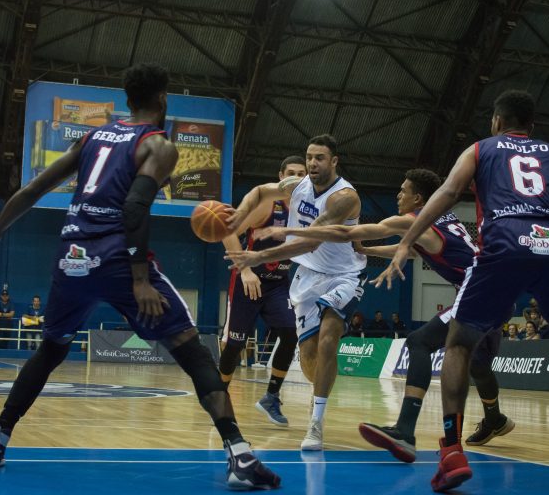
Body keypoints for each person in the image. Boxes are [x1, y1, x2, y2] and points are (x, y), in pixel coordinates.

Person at [0, 63, 279, 489]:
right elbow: (133, 207)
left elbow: (32, 190)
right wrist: (139, 279)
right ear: (163, 99)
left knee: (50, 351)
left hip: (71, 257)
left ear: (127, 100)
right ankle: (240, 456)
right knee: (193, 353)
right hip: (116, 259)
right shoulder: (158, 145)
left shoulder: (92, 136)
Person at [377, 89, 549, 491]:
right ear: (531, 125)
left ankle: (451, 451)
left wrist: (407, 240)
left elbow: (447, 193)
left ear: (496, 121)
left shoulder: (480, 149)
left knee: (458, 344)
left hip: (505, 242)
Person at [254, 168, 513, 462]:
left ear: (418, 198)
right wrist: (368, 251)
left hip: (480, 294)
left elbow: (350, 232)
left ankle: (405, 430)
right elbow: (413, 251)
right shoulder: (443, 219)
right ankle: (494, 418)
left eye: (403, 190)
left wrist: (293, 232)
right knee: (478, 363)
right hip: (496, 292)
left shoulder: (413, 221)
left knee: (418, 342)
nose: (398, 195)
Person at [225, 133, 367, 451]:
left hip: (344, 275)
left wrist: (258, 256)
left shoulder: (344, 197)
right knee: (309, 355)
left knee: (328, 338)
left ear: (334, 161)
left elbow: (310, 241)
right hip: (306, 277)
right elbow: (261, 191)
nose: (312, 163)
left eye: (320, 158)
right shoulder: (297, 185)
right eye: (309, 157)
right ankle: (319, 386)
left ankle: (315, 424)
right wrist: (238, 216)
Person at [218, 155, 306, 427]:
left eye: (301, 173)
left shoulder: (307, 209)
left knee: (290, 335)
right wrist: (244, 270)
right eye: (291, 172)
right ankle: (219, 399)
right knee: (235, 345)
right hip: (249, 282)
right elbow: (227, 231)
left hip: (278, 283)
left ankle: (271, 397)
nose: (296, 177)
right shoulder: (268, 204)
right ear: (281, 176)